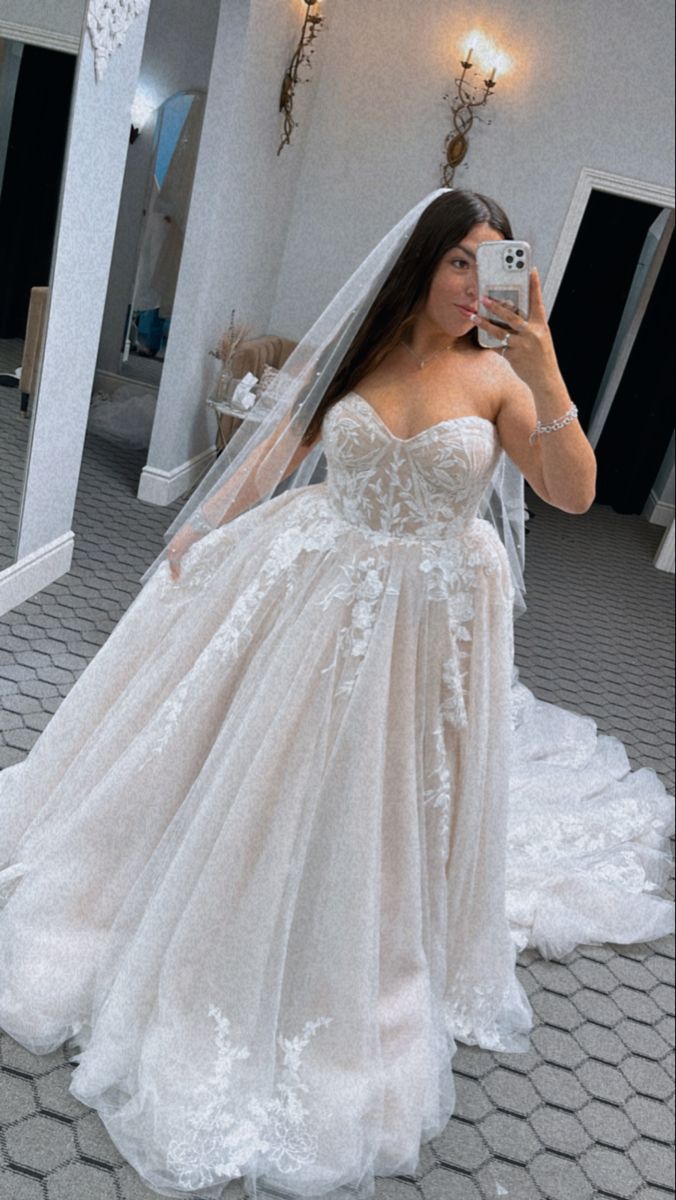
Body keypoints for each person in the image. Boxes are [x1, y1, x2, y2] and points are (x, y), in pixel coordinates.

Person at [0, 189, 673, 1200]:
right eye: (457, 262)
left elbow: (570, 491)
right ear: (423, 263)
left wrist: (545, 367)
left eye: (491, 266)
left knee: (387, 779)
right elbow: (278, 449)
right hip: (315, 574)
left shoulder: (498, 378)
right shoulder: (358, 351)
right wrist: (204, 523)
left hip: (427, 610)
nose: (469, 285)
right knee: (260, 752)